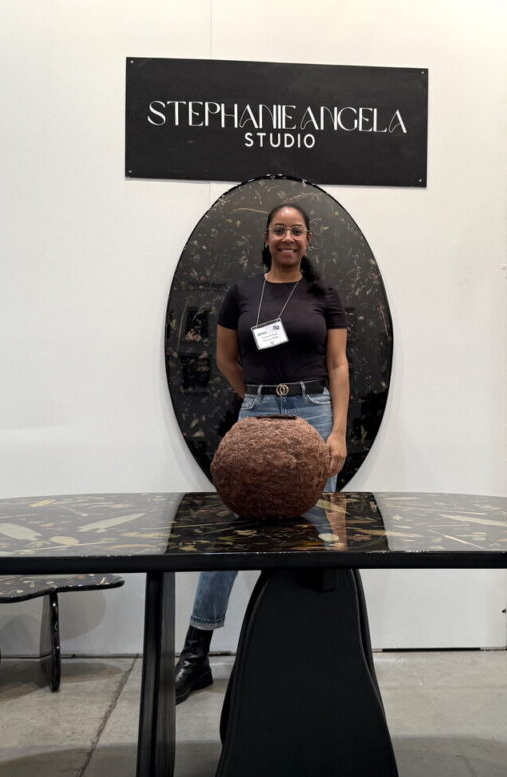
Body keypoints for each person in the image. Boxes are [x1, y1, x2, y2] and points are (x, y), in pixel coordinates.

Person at [174, 202, 349, 703]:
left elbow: (338, 364)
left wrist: (338, 431)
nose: (288, 238)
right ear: (267, 237)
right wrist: (256, 398)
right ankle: (196, 655)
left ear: (308, 239)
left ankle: (321, 651)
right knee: (231, 535)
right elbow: (226, 359)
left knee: (323, 532)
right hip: (256, 414)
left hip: (314, 412)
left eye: (297, 230)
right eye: (279, 230)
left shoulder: (325, 295)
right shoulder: (242, 293)